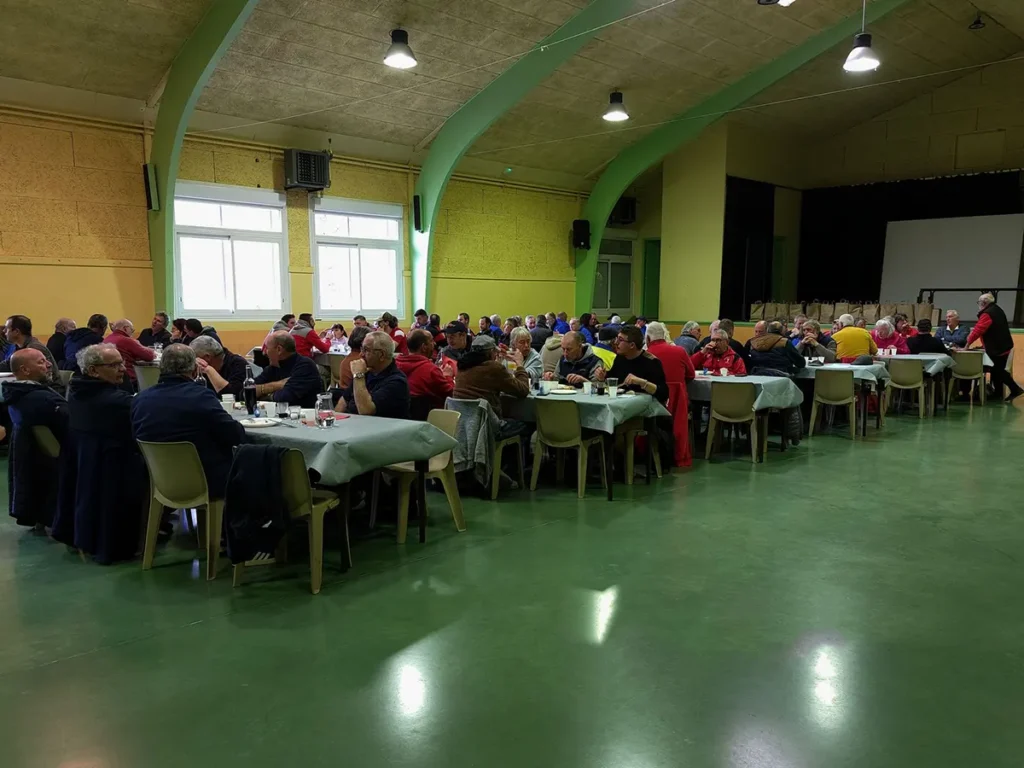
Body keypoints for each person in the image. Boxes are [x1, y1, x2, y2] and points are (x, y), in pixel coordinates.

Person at [53, 343, 146, 563]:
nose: (122, 368)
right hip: (113, 463)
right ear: (93, 370)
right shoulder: (113, 401)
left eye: (122, 362)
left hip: (85, 459)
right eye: (114, 365)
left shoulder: (77, 389)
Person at [131, 344, 246, 499]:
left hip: (158, 481)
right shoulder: (201, 397)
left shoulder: (139, 399)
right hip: (207, 482)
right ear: (194, 370)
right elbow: (235, 435)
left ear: (161, 368)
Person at [4, 348, 68, 529]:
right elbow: (71, 424)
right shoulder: (42, 400)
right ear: (25, 370)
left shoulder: (16, 395)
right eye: (41, 362)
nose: (48, 365)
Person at [453, 334, 531, 434]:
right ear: (491, 352)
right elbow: (523, 390)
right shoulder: (493, 368)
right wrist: (520, 364)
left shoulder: (462, 366)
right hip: (487, 426)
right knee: (527, 424)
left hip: (464, 425)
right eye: (495, 352)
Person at [333, 331, 409, 418]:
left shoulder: (397, 382)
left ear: (381, 355)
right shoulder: (368, 373)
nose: (361, 354)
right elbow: (344, 401)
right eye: (361, 349)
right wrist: (336, 421)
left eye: (366, 350)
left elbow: (366, 411)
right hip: (352, 424)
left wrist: (358, 375)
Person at [967, 292, 1023, 402]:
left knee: (997, 370)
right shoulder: (997, 309)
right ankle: (997, 394)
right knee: (996, 370)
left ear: (984, 303)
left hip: (998, 348)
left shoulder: (987, 314)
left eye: (979, 302)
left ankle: (1015, 389)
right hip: (1003, 345)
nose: (979, 304)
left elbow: (978, 330)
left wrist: (967, 344)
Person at [596, 325, 668, 403]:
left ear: (632, 345)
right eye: (616, 338)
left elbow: (663, 394)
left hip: (645, 409)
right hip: (622, 404)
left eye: (620, 340)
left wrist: (642, 382)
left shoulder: (652, 362)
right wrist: (602, 377)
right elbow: (612, 381)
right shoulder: (620, 358)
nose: (616, 343)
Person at [253, 331, 323, 408]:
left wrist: (263, 393)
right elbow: (245, 392)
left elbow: (284, 398)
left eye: (267, 348)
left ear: (279, 349)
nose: (264, 353)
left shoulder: (305, 366)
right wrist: (277, 385)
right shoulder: (272, 368)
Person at [396, 329, 454, 416]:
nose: (434, 344)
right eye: (431, 341)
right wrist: (447, 376)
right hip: (431, 420)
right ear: (424, 347)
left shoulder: (394, 365)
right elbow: (451, 395)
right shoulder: (431, 370)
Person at [0, 315, 60, 387]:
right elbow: (6, 365)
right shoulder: (19, 347)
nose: (4, 331)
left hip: (49, 390)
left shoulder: (34, 349)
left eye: (7, 328)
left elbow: (46, 378)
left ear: (16, 331)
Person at [104, 318, 156, 385]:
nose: (132, 333)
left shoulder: (107, 339)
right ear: (125, 328)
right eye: (132, 330)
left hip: (109, 378)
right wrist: (151, 350)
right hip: (127, 378)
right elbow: (149, 356)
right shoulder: (126, 340)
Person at [644, 322, 695, 387]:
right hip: (679, 395)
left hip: (656, 396)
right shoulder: (680, 351)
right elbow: (691, 375)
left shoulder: (645, 355)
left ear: (647, 338)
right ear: (664, 336)